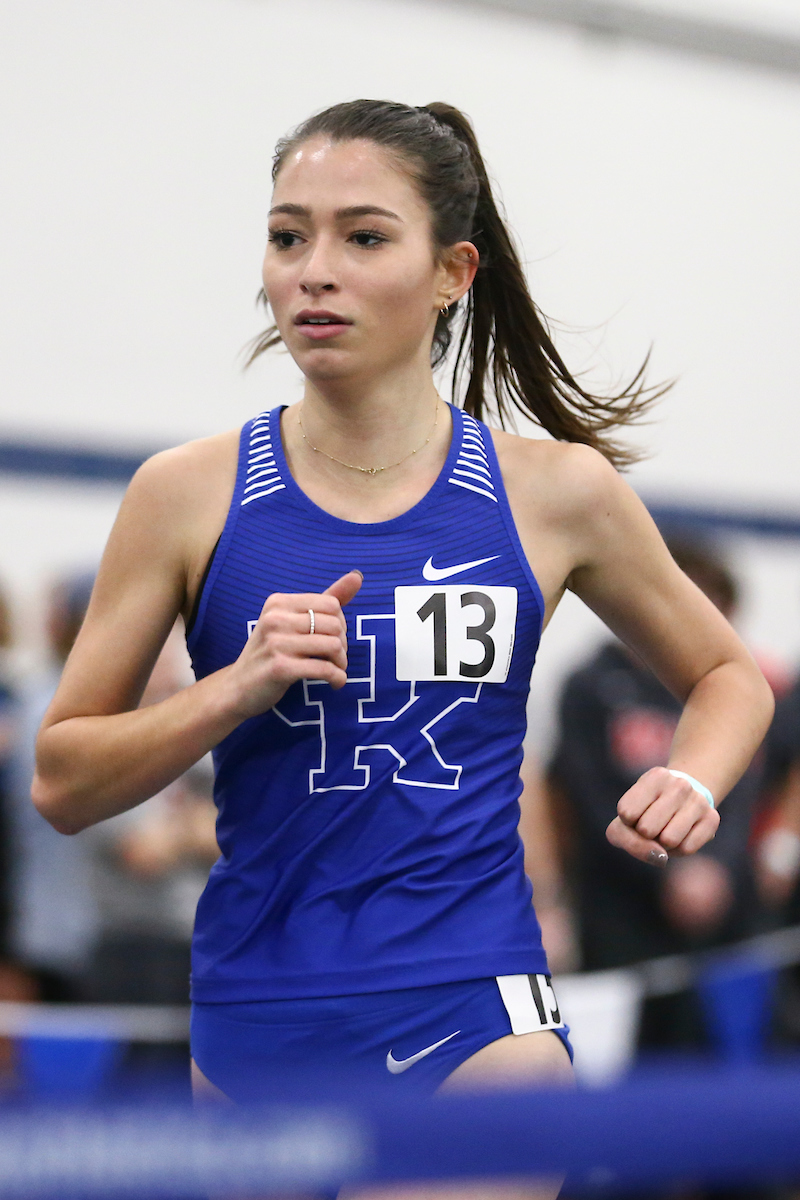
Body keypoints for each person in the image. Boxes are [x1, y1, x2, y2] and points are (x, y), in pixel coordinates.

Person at [31, 99, 772, 1196]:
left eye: (364, 237)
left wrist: (692, 778)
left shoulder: (554, 493)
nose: (314, 272)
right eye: (288, 237)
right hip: (254, 1013)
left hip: (472, 1004)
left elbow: (726, 676)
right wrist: (230, 689)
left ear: (451, 273)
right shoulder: (182, 495)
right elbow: (61, 780)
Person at [545, 539, 770, 1051]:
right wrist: (665, 869)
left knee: (709, 1043)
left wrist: (715, 867)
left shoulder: (734, 692)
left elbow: (742, 789)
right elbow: (584, 796)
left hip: (713, 897)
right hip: (619, 897)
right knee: (617, 1042)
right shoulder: (592, 686)